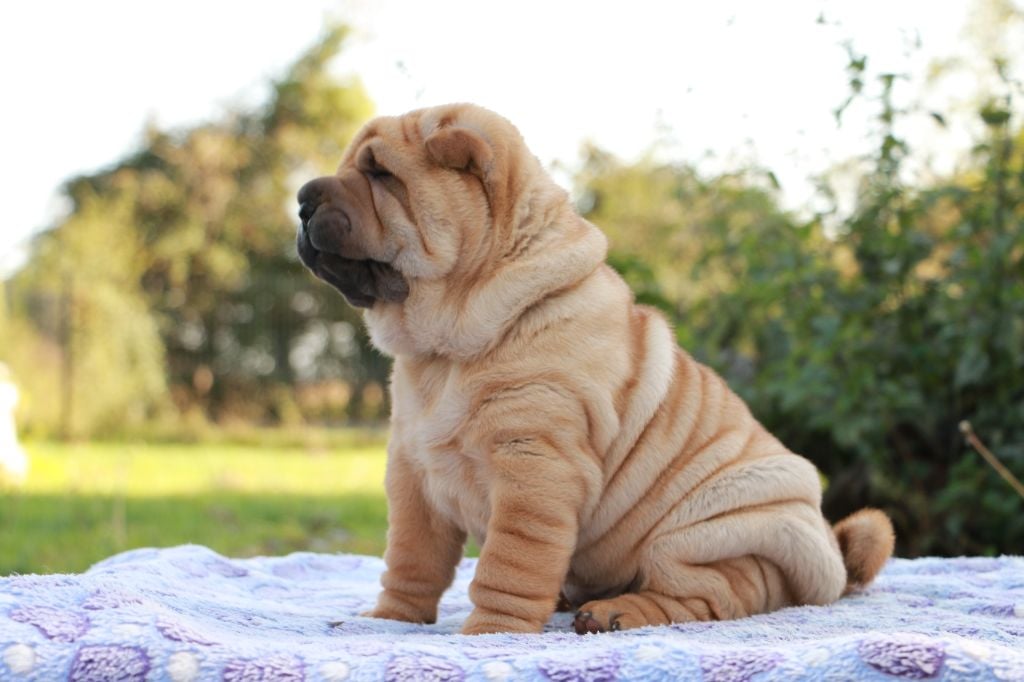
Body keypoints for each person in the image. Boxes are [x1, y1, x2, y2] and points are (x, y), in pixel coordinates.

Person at [0, 363, 28, 485]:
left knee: (7, 448)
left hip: (6, 424)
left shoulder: (9, 390)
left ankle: (11, 477)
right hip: (6, 424)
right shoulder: (11, 390)